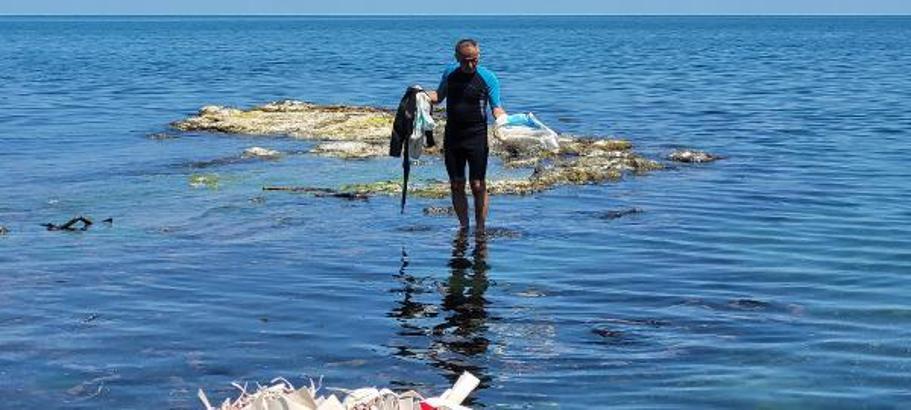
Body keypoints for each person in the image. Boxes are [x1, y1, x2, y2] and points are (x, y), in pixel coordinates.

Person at [427, 39, 507, 234]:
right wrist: (419, 94)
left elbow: (496, 107)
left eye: (474, 60)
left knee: (478, 184)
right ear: (456, 58)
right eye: (465, 61)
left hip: (477, 137)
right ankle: (464, 227)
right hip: (453, 136)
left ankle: (480, 228)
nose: (470, 65)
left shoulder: (488, 78)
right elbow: (438, 97)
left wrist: (506, 121)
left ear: (478, 56)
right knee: (456, 184)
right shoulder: (450, 73)